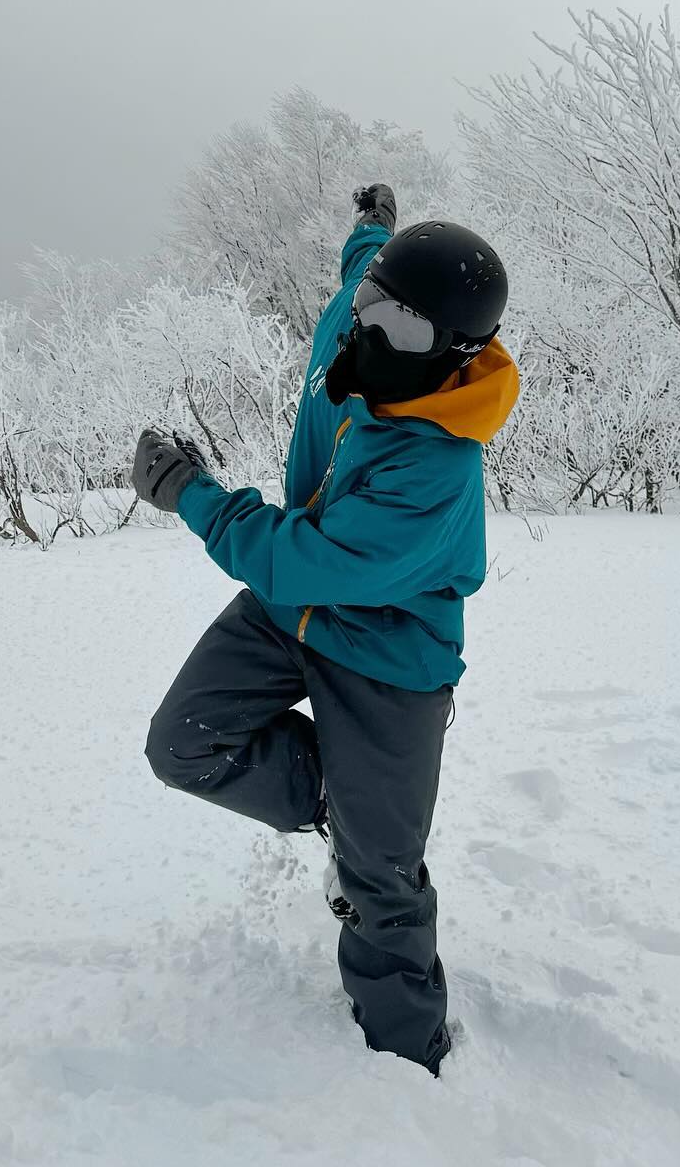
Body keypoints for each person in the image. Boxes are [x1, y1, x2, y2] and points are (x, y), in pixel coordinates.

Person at [132, 184, 518, 1074]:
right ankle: (338, 811)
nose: (374, 331)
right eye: (375, 305)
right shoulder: (357, 319)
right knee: (182, 745)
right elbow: (362, 276)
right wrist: (372, 230)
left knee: (385, 882)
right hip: (289, 611)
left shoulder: (436, 470)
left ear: (456, 355)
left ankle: (407, 1061)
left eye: (407, 329)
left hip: (386, 647)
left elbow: (299, 557)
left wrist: (188, 493)